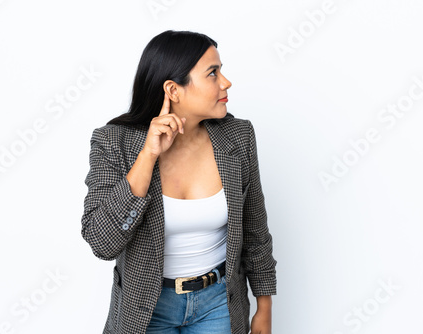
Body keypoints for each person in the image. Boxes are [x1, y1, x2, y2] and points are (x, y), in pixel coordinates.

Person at [81, 30, 277, 334]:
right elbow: (102, 242)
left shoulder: (238, 137)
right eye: (213, 73)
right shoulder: (113, 142)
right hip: (147, 307)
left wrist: (264, 308)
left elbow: (255, 230)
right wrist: (148, 155)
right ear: (174, 90)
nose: (226, 82)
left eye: (221, 70)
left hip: (218, 305)